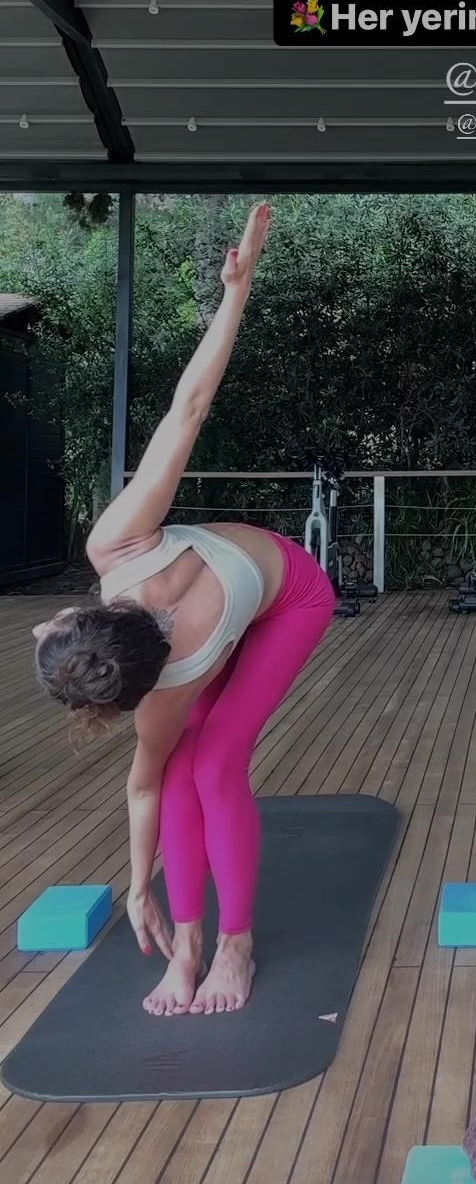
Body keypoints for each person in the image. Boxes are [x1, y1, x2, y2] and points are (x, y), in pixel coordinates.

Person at [33, 204, 336, 1015]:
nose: (42, 624)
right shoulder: (127, 588)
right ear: (80, 619)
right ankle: (188, 943)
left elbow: (190, 405)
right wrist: (141, 887)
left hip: (291, 596)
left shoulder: (126, 553)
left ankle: (233, 944)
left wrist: (239, 288)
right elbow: (186, 405)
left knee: (212, 762)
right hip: (212, 628)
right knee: (178, 770)